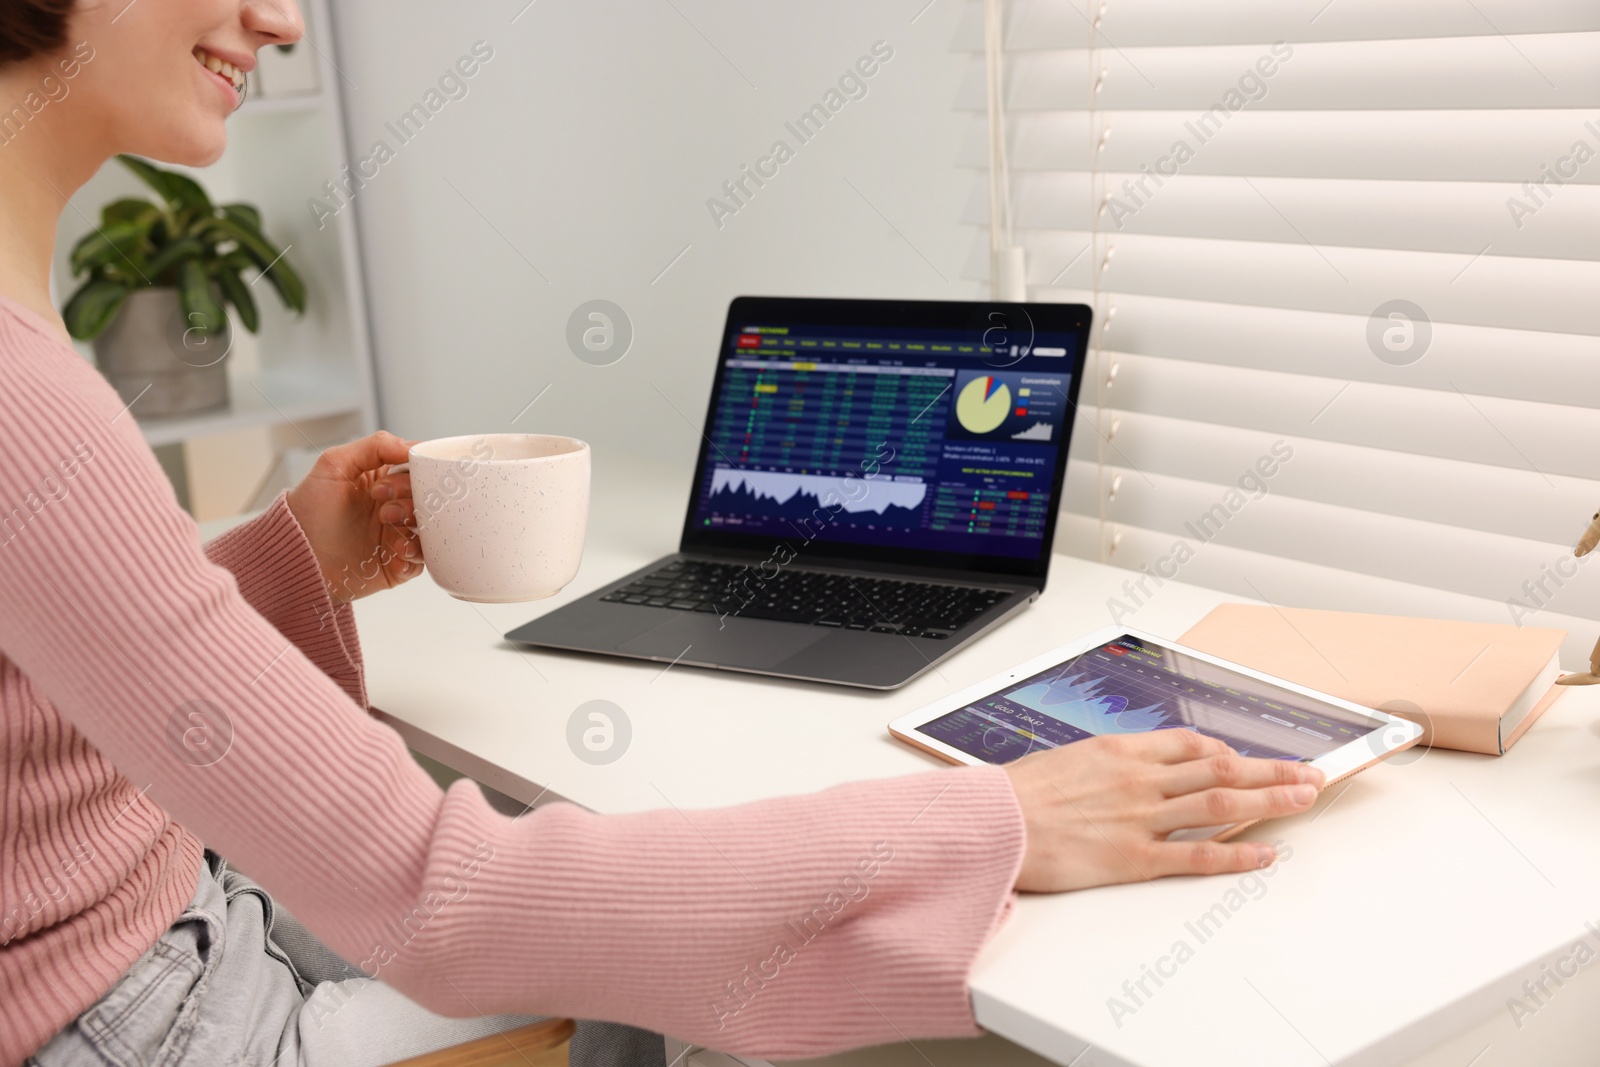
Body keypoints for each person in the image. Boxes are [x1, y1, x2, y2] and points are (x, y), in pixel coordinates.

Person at [0, 1, 1327, 1065]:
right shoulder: (29, 405)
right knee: (668, 970)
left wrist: (285, 563)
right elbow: (436, 895)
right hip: (162, 1020)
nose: (280, 18)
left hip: (157, 935)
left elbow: (44, 675)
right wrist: (996, 820)